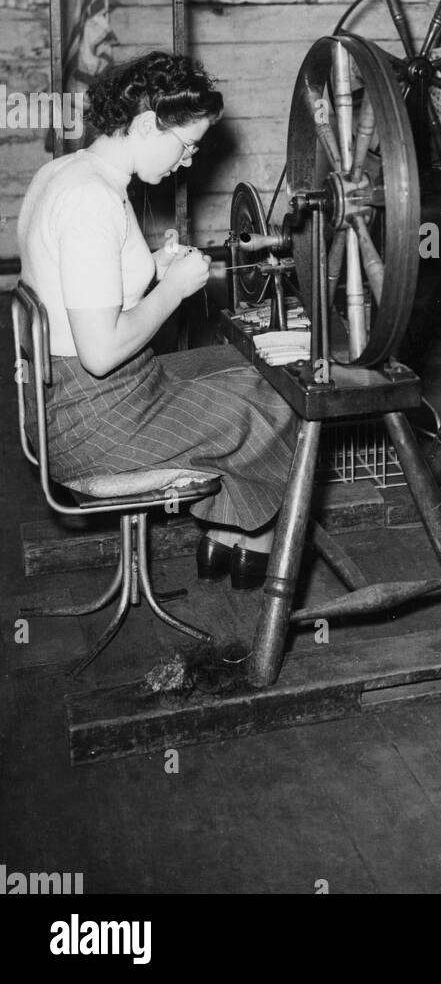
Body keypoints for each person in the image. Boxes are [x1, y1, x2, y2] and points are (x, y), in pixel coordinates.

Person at [17, 50, 297, 591]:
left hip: (74, 399)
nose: (189, 160)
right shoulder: (92, 199)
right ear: (147, 124)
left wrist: (153, 269)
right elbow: (99, 352)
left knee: (250, 360)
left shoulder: (67, 171)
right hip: (96, 421)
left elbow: (75, 290)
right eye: (186, 144)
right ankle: (253, 535)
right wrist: (171, 290)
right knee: (283, 390)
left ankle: (226, 535)